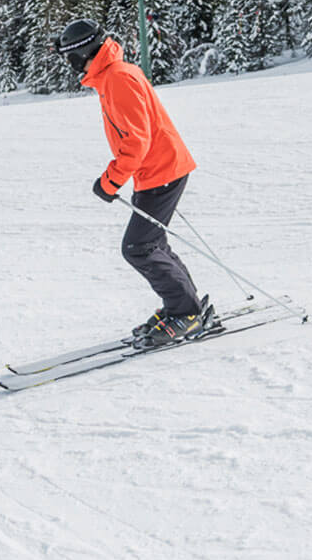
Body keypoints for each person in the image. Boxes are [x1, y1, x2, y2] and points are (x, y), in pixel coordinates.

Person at [56, 19, 213, 347]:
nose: (70, 65)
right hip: (157, 169)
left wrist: (110, 181)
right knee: (152, 244)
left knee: (138, 247)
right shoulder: (113, 75)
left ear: (83, 52)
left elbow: (136, 141)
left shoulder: (117, 78)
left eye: (70, 57)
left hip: (161, 170)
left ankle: (186, 312)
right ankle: (185, 306)